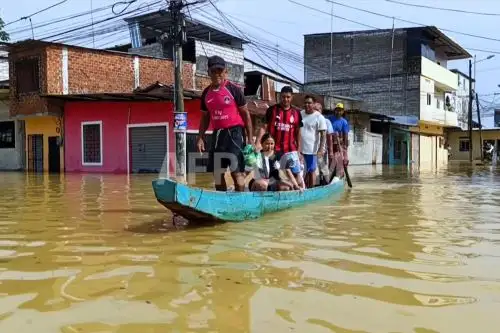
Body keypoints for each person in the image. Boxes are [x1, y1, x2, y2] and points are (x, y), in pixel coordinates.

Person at [196, 55, 253, 192]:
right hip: (217, 135)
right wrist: (200, 137)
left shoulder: (234, 89)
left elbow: (246, 114)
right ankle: (223, 202)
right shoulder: (206, 94)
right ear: (208, 72)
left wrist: (250, 140)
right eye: (213, 71)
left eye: (220, 71)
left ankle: (241, 202)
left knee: (236, 173)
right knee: (217, 174)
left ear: (225, 71)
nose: (217, 74)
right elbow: (205, 118)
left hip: (235, 133)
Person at [255, 85, 304, 190]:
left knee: (298, 179)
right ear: (279, 97)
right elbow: (264, 127)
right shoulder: (272, 110)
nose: (285, 99)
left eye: (288, 97)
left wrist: (299, 150)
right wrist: (258, 143)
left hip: (290, 151)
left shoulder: (296, 113)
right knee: (275, 176)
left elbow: (298, 132)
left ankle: (299, 195)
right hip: (274, 151)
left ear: (292, 97)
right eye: (283, 97)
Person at [300, 95, 327, 188]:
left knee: (311, 171)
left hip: (312, 151)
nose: (307, 104)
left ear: (314, 104)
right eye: (305, 102)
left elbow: (323, 135)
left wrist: (320, 149)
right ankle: (302, 188)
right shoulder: (300, 114)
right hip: (300, 150)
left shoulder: (319, 117)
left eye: (309, 103)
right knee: (300, 171)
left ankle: (311, 190)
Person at [327, 103, 349, 168]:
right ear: (335, 110)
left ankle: (340, 173)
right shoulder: (330, 119)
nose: (338, 112)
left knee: (342, 159)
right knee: (331, 159)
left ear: (342, 111)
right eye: (337, 110)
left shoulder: (344, 121)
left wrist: (345, 145)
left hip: (340, 143)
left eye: (340, 110)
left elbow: (346, 134)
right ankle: (330, 174)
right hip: (330, 142)